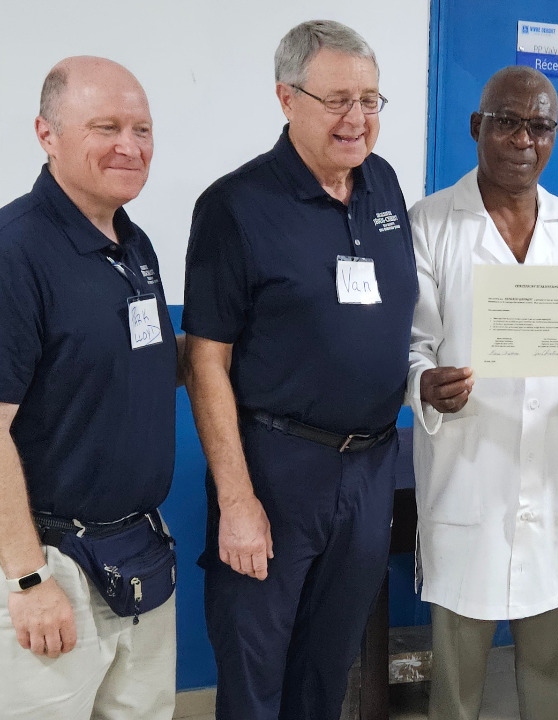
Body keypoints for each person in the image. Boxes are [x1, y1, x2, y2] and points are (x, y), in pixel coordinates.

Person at [182, 20, 417, 720]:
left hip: (372, 464)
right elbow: (205, 361)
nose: (358, 119)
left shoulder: (384, 185)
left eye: (372, 100)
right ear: (287, 98)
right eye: (338, 99)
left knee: (329, 665)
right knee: (256, 669)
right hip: (277, 468)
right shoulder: (235, 206)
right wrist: (237, 498)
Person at [407, 65, 558, 720]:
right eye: (507, 122)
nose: (523, 139)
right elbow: (413, 346)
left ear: (554, 136)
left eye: (539, 126)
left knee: (550, 679)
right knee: (457, 683)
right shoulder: (429, 224)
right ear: (476, 127)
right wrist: (424, 386)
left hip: (553, 491)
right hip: (468, 485)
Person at [0, 57, 179, 719]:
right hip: (52, 567)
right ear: (46, 135)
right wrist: (27, 577)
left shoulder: (133, 246)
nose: (129, 145)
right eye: (106, 127)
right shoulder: (15, 252)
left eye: (142, 128)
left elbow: (149, 358)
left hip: (138, 558)